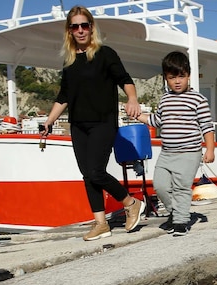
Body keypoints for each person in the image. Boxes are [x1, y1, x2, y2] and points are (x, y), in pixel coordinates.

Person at [41, 5, 144, 241]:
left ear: (91, 27)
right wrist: (48, 121)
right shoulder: (69, 62)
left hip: (103, 122)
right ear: (69, 30)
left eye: (84, 25)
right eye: (75, 26)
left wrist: (132, 98)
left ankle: (131, 203)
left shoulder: (105, 54)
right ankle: (101, 224)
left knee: (97, 171)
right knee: (87, 175)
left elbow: (124, 80)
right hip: (78, 125)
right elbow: (64, 96)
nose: (80, 30)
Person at [136, 51, 215, 236]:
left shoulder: (198, 99)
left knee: (181, 187)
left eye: (181, 76)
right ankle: (177, 212)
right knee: (160, 185)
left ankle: (180, 221)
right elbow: (157, 120)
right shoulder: (165, 99)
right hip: (167, 153)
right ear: (166, 78)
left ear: (188, 75)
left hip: (189, 153)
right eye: (172, 77)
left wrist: (210, 149)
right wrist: (138, 115)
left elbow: (206, 126)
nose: (177, 81)